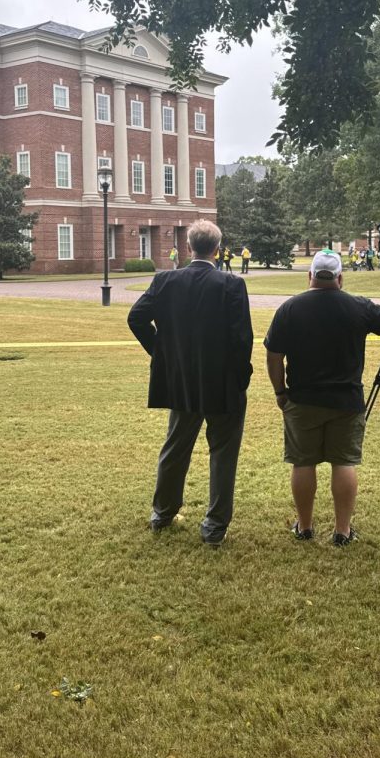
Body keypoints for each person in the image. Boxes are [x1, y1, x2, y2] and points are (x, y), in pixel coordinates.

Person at [264, 249, 380, 546]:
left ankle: (304, 527)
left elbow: (274, 356)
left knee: (303, 463)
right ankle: (342, 532)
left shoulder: (289, 309)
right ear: (340, 277)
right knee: (344, 463)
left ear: (310, 276)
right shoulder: (358, 306)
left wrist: (280, 392)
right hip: (346, 401)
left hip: (302, 400)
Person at [128, 219, 254, 545]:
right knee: (223, 454)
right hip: (223, 383)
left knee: (176, 446)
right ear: (217, 249)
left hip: (182, 379)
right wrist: (242, 378)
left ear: (188, 248)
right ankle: (214, 527)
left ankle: (163, 513)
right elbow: (243, 339)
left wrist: (163, 355)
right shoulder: (231, 284)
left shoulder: (166, 280)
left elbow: (136, 318)